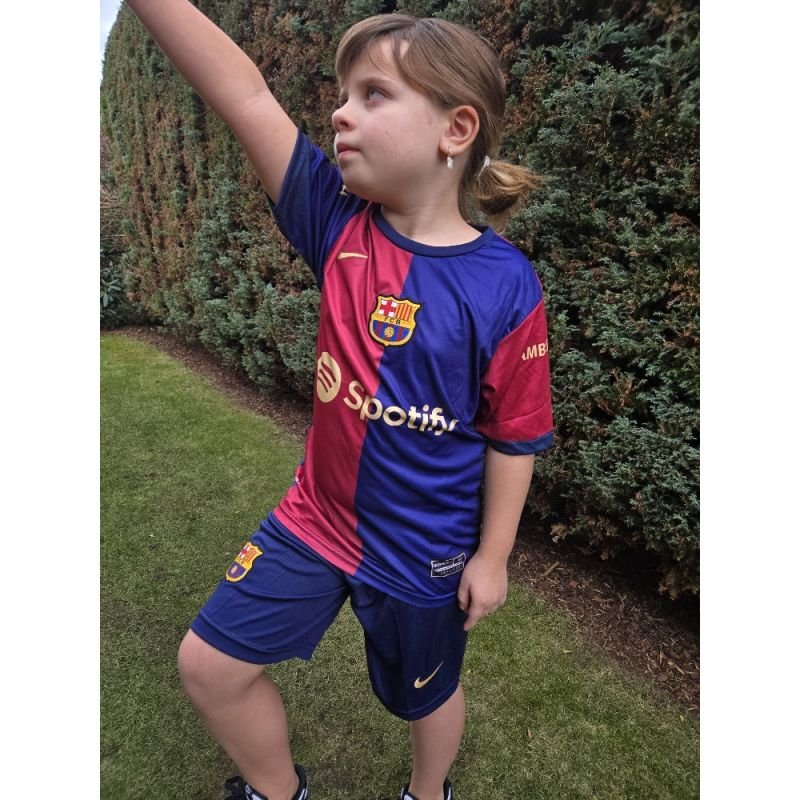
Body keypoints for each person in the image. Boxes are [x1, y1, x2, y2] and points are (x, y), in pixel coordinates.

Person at [124, 3, 555, 799]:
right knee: (209, 667)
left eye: (373, 94)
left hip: (424, 552)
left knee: (425, 695)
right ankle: (275, 791)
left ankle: (428, 792)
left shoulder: (507, 286)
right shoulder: (337, 225)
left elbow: (514, 434)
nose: (339, 114)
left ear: (456, 129)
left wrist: (492, 558)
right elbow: (246, 96)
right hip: (314, 520)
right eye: (342, 95)